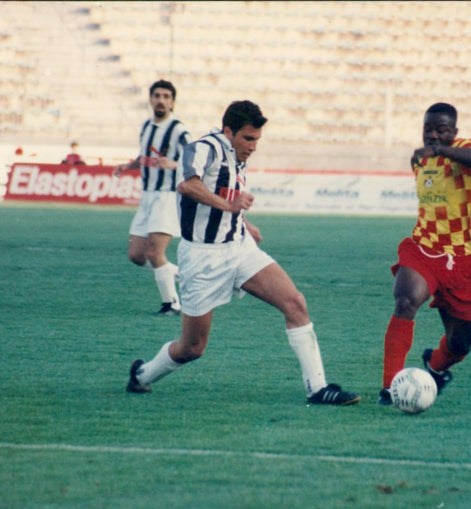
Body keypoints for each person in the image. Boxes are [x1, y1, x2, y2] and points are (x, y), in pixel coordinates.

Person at [126, 100, 360, 405]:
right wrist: (229, 207)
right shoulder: (203, 148)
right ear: (228, 131)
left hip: (239, 247)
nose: (253, 146)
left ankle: (317, 388)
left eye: (257, 140)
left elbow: (226, 191)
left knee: (295, 303)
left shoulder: (237, 155)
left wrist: (243, 222)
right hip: (203, 258)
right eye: (248, 138)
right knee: (192, 348)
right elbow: (187, 185)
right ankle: (142, 375)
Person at [378, 102, 471, 405]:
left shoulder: (467, 149)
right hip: (424, 250)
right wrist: (432, 152)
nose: (433, 135)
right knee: (405, 300)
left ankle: (435, 365)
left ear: (454, 132)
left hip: (461, 260)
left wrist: (442, 149)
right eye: (428, 129)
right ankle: (391, 387)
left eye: (441, 130)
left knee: (462, 343)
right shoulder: (420, 160)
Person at [115, 80, 191, 315]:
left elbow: (195, 162)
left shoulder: (179, 130)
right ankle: (182, 276)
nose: (161, 100)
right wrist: (130, 165)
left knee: (154, 253)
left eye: (166, 96)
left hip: (167, 198)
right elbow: (145, 155)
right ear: (150, 99)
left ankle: (172, 303)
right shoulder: (147, 126)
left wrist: (174, 164)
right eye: (157, 95)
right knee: (136, 255)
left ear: (172, 102)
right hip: (147, 197)